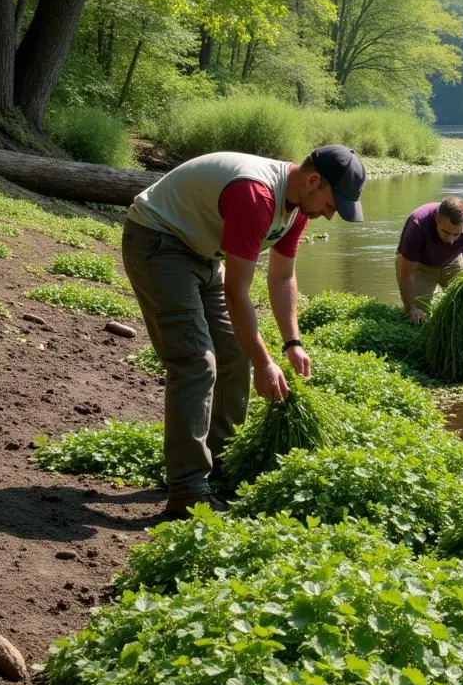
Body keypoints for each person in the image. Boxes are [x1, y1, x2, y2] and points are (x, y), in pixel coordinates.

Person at [121, 145, 366, 515]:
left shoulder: (298, 207)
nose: (330, 216)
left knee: (235, 354)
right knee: (195, 362)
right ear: (314, 180)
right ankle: (187, 489)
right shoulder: (256, 196)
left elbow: (282, 278)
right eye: (333, 205)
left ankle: (220, 464)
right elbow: (237, 294)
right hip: (159, 240)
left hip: (202, 253)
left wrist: (292, 343)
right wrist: (265, 363)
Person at [395, 196, 463, 323]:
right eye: (446, 232)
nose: (451, 240)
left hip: (451, 260)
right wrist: (410, 309)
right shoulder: (417, 224)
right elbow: (405, 276)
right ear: (436, 218)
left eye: (457, 234)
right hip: (419, 263)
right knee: (419, 316)